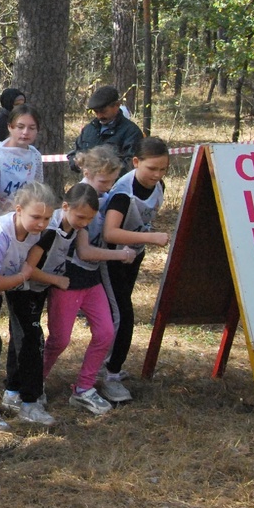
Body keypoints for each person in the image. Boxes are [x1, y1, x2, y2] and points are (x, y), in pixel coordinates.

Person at [38, 182, 135, 415]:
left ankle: (84, 388)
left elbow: (85, 246)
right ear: (65, 207)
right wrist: (121, 254)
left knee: (105, 333)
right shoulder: (53, 225)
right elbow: (85, 252)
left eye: (89, 220)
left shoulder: (84, 220)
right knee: (59, 339)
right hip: (66, 284)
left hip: (91, 282)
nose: (84, 224)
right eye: (81, 217)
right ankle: (34, 382)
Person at [0, 182, 57, 426]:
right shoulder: (0, 234)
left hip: (15, 282)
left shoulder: (43, 231)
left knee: (30, 335)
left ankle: (25, 398)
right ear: (18, 210)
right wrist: (22, 276)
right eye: (36, 217)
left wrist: (25, 274)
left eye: (47, 218)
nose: (41, 224)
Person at [98, 136, 171, 404]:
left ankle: (110, 366)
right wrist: (150, 238)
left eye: (163, 169)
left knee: (122, 311)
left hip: (132, 256)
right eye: (152, 168)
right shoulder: (122, 193)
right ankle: (109, 375)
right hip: (112, 258)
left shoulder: (158, 185)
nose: (157, 174)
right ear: (136, 162)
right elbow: (110, 232)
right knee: (122, 316)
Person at [68, 85, 144, 174]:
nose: (99, 116)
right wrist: (77, 163)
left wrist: (104, 171)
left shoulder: (131, 132)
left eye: (103, 111)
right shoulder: (89, 130)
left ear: (117, 105)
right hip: (90, 185)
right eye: (96, 112)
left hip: (117, 186)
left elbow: (131, 165)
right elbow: (75, 153)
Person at [0, 104, 45, 212]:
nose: (25, 132)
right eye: (20, 127)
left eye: (31, 128)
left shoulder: (35, 155)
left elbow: (37, 189)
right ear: (10, 127)